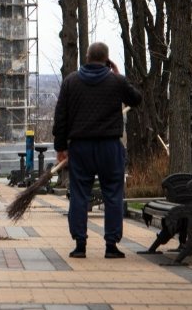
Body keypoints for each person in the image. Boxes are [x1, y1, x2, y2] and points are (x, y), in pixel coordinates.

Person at [53, 42, 142, 259]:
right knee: (112, 194)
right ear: (107, 59)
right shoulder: (116, 81)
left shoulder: (70, 82)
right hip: (109, 146)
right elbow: (136, 99)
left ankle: (80, 244)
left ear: (86, 57)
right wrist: (119, 75)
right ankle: (111, 245)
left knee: (79, 195)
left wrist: (61, 148)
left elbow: (61, 117)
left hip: (80, 147)